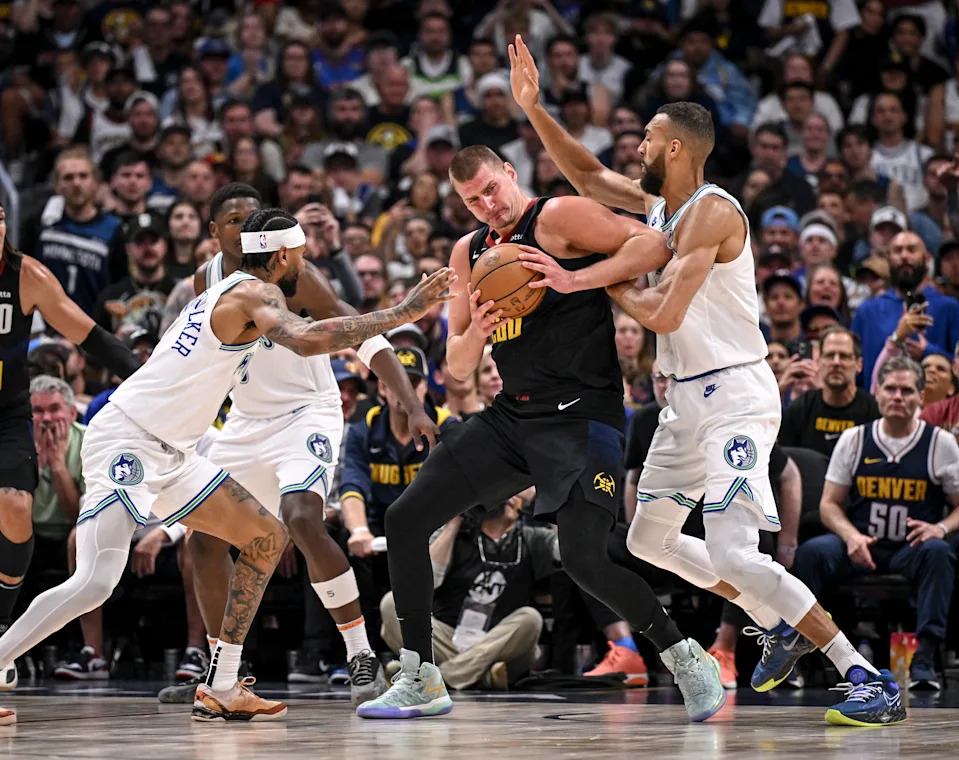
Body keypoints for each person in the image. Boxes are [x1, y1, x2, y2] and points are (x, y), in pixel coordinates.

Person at [508, 36, 904, 726]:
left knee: (731, 552)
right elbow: (588, 177)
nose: (635, 148)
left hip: (735, 400)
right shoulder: (661, 208)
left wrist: (590, 283)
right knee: (647, 539)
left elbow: (661, 310)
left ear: (674, 149)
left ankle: (864, 674)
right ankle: (770, 618)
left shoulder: (713, 212)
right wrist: (535, 109)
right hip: (684, 401)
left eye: (647, 139)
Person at [0, 208, 454, 724]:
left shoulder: (229, 289)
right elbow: (307, 339)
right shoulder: (253, 294)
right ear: (282, 255)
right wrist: (404, 311)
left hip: (176, 449)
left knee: (265, 537)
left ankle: (222, 684)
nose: (303, 264)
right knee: (96, 582)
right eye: (300, 256)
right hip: (130, 438)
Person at [355, 147, 728, 720]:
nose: (487, 205)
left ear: (510, 172)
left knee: (582, 556)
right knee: (405, 520)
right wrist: (477, 330)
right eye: (471, 200)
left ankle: (685, 657)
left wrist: (573, 278)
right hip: (514, 416)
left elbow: (652, 245)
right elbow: (456, 365)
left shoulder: (555, 217)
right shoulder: (471, 251)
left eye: (490, 188)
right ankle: (419, 675)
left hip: (585, 414)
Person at [159, 184, 438, 707]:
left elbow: (361, 333)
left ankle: (360, 655)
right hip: (244, 420)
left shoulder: (297, 276)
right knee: (202, 539)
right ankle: (223, 675)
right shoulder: (206, 281)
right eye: (236, 220)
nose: (248, 230)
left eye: (254, 219)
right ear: (215, 231)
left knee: (303, 519)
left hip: (306, 413)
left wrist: (409, 401)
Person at [0, 202, 142, 693]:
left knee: (15, 506)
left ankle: (2, 630)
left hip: (7, 412)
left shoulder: (29, 277)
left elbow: (91, 336)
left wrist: (146, 378)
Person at [795, 356, 959, 691]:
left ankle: (924, 662)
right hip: (860, 544)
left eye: (907, 390)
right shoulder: (854, 439)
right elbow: (829, 505)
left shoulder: (940, 443)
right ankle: (805, 659)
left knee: (940, 553)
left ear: (920, 397)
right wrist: (851, 536)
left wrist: (939, 528)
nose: (898, 396)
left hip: (909, 548)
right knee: (812, 553)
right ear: (878, 393)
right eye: (891, 389)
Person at [379, 492, 553, 690]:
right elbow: (424, 580)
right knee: (392, 603)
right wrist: (453, 522)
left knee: (530, 618)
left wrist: (544, 500)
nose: (508, 498)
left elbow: (567, 550)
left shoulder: (533, 536)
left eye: (514, 494)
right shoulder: (460, 531)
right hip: (447, 636)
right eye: (502, 494)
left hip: (500, 640)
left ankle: (435, 676)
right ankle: (481, 676)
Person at [779, 328, 880, 457]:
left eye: (844, 356)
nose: (836, 362)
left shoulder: (874, 412)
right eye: (829, 355)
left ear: (859, 364)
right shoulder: (799, 409)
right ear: (819, 362)